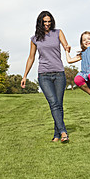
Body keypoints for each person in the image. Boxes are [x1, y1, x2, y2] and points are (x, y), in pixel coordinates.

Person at [21, 10, 70, 143]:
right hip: (44, 75)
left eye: (49, 21)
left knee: (58, 104)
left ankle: (57, 134)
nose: (47, 24)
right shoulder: (35, 38)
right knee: (53, 103)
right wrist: (24, 75)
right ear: (40, 23)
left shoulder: (58, 32)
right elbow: (31, 57)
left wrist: (67, 47)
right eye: (44, 22)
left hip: (59, 73)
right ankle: (64, 132)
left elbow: (65, 45)